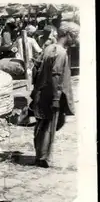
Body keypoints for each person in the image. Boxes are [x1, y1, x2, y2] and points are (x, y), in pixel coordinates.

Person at [30, 22, 78, 168]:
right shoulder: (61, 53)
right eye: (74, 36)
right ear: (68, 35)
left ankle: (40, 155)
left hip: (41, 92)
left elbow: (35, 69)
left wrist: (36, 89)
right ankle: (44, 158)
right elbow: (56, 75)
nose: (75, 40)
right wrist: (56, 98)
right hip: (51, 94)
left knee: (42, 124)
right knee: (49, 125)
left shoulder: (48, 48)